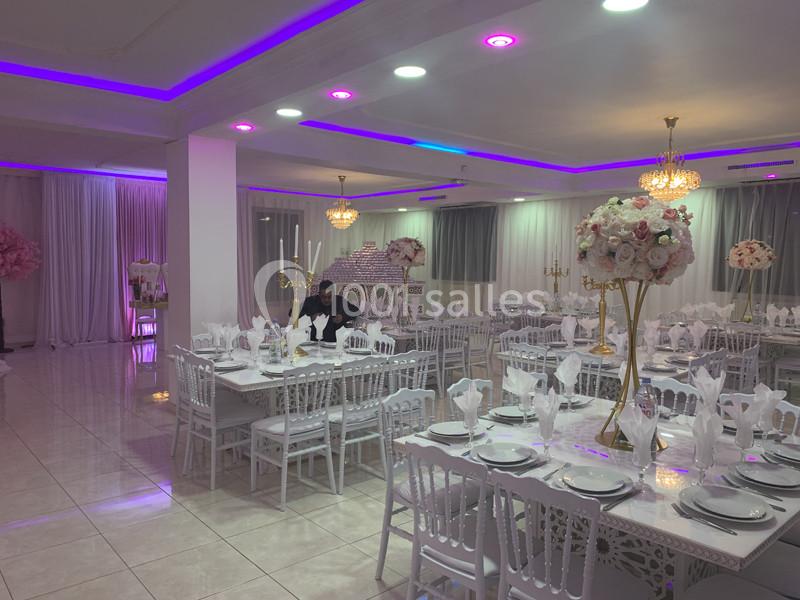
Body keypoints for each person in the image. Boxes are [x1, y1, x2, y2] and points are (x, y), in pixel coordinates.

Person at [296, 279, 360, 342]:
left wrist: (343, 316)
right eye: (323, 297)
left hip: (334, 343)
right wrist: (310, 318)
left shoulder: (340, 301)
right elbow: (293, 314)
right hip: (313, 341)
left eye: (329, 297)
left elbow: (356, 311)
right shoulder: (311, 302)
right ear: (319, 294)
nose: (326, 300)